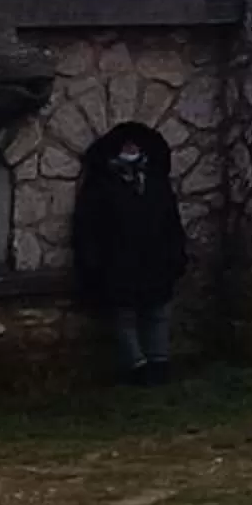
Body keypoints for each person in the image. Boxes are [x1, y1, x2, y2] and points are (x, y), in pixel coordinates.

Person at [73, 124, 187, 384]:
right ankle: (137, 366)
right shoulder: (101, 185)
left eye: (135, 145)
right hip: (117, 263)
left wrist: (177, 254)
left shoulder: (155, 182)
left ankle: (159, 363)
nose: (132, 149)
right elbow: (87, 227)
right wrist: (92, 265)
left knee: (157, 312)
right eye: (126, 145)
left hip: (155, 260)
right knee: (123, 316)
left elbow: (171, 221)